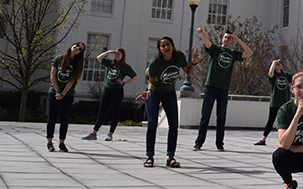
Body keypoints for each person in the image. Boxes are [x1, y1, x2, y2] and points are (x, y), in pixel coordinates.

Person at [136, 37, 197, 168]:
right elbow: (152, 82)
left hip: (169, 93)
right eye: (162, 46)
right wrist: (148, 92)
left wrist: (194, 63)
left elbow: (189, 72)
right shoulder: (155, 63)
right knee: (152, 123)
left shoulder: (178, 57)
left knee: (174, 124)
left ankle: (171, 157)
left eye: (168, 44)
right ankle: (150, 157)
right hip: (154, 92)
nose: (166, 47)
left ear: (172, 45)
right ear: (160, 49)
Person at [193, 28, 253, 151]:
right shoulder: (215, 49)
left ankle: (219, 144)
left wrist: (238, 40)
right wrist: (203, 32)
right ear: (222, 38)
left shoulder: (232, 53)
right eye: (225, 37)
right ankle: (199, 143)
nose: (227, 39)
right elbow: (207, 43)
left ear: (232, 40)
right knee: (205, 116)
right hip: (211, 87)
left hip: (224, 89)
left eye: (229, 38)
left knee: (221, 117)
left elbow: (249, 53)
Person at [82, 48, 138, 141]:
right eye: (116, 54)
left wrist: (124, 83)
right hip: (107, 90)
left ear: (123, 56)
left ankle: (110, 133)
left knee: (115, 112)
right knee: (102, 112)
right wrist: (108, 52)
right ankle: (93, 133)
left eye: (119, 54)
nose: (117, 56)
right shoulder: (110, 63)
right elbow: (98, 58)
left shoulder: (125, 67)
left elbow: (135, 77)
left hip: (117, 91)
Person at [47, 41, 85, 152]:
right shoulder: (59, 59)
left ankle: (62, 142)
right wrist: (57, 91)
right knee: (52, 118)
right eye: (77, 45)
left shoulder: (77, 63)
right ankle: (49, 142)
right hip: (54, 92)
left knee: (64, 119)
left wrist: (63, 93)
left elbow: (72, 80)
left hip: (68, 94)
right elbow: (52, 76)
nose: (77, 48)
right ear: (72, 45)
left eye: (80, 49)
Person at [255, 59, 292, 145]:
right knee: (271, 120)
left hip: (285, 102)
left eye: (279, 64)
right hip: (275, 102)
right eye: (276, 64)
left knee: (288, 121)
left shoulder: (286, 74)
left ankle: (289, 139)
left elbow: (294, 79)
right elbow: (270, 73)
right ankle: (263, 139)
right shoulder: (274, 76)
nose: (279, 65)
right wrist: (273, 63)